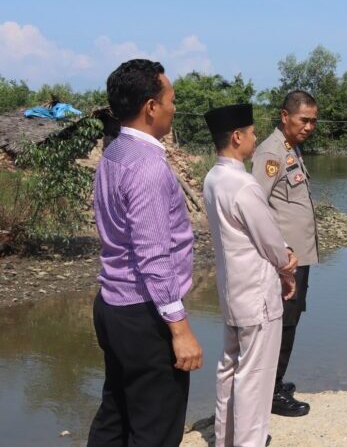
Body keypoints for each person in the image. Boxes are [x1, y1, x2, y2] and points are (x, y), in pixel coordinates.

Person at [87, 59, 202, 447]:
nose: (174, 107)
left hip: (112, 305)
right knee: (155, 428)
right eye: (170, 99)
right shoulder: (148, 167)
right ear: (151, 106)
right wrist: (180, 327)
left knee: (115, 413)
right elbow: (154, 257)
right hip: (144, 312)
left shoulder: (114, 152)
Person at [203, 104, 300, 447]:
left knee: (230, 367)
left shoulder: (213, 178)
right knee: (255, 376)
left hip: (232, 289)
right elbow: (270, 238)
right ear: (236, 137)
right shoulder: (243, 184)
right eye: (252, 132)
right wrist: (287, 265)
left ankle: (225, 437)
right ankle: (250, 441)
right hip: (257, 293)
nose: (256, 138)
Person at [251, 90, 320, 417]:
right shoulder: (270, 152)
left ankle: (274, 383)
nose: (309, 126)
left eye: (313, 121)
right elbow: (256, 207)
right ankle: (272, 392)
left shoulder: (290, 148)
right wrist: (280, 253)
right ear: (284, 116)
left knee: (290, 322)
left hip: (297, 257)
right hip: (285, 260)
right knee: (282, 324)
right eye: (303, 120)